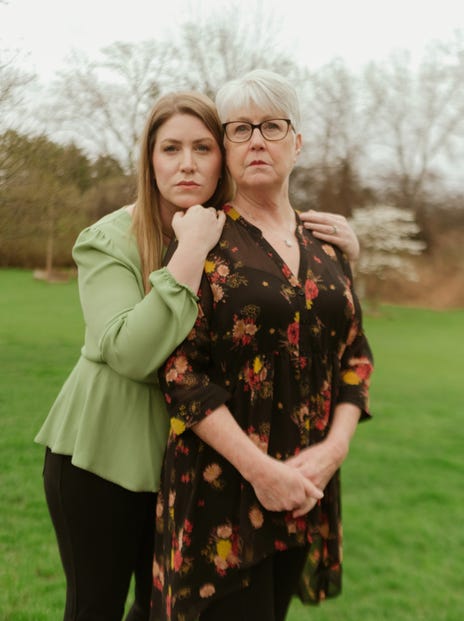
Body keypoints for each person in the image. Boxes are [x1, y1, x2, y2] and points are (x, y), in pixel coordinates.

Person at [34, 89, 360, 621]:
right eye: (170, 149)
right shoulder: (109, 239)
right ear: (149, 159)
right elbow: (129, 354)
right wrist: (188, 253)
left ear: (222, 159)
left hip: (182, 467)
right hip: (103, 459)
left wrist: (347, 254)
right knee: (94, 607)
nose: (187, 164)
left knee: (159, 609)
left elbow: (287, 315)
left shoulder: (232, 236)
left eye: (203, 148)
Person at [151, 70, 374, 621]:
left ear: (296, 143)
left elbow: (356, 358)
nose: (256, 140)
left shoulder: (328, 244)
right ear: (224, 148)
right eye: (240, 128)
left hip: (306, 490)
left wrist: (334, 449)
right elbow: (180, 374)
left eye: (272, 126)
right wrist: (261, 471)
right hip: (221, 497)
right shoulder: (203, 240)